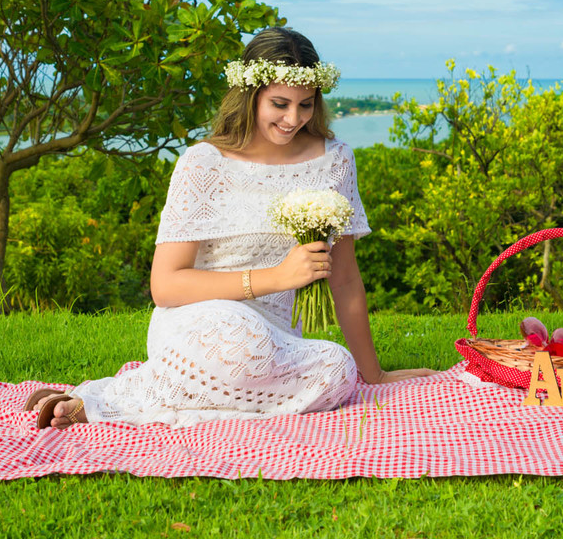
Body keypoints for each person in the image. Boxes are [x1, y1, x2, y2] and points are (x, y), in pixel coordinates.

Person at [25, 27, 436, 429]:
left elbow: (344, 277)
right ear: (250, 95)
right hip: (203, 324)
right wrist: (276, 278)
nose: (293, 119)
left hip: (280, 341)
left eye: (306, 105)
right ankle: (101, 402)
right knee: (241, 342)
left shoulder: (336, 160)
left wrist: (374, 374)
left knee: (336, 369)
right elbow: (165, 286)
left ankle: (122, 397)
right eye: (279, 104)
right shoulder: (204, 163)